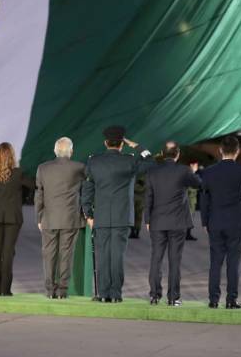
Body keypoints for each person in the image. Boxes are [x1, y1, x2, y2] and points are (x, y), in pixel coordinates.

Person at [81, 126, 154, 303]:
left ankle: (103, 293)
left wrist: (88, 213)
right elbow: (151, 162)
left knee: (103, 255)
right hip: (122, 217)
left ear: (106, 143)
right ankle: (115, 294)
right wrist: (137, 146)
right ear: (122, 144)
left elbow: (87, 189)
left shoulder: (94, 161)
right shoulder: (130, 161)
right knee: (117, 256)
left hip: (102, 216)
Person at [200, 135, 241, 309]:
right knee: (234, 263)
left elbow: (204, 198)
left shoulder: (209, 172)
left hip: (215, 222)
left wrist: (205, 222)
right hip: (237, 222)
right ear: (237, 151)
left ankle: (213, 299)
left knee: (215, 263)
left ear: (220, 150)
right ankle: (231, 300)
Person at [145, 141, 201, 306]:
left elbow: (148, 197)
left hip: (157, 221)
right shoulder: (184, 170)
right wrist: (195, 172)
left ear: (162, 154)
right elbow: (198, 184)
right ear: (177, 154)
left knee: (156, 258)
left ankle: (154, 295)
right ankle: (173, 297)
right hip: (178, 222)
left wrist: (147, 220)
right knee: (175, 260)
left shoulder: (152, 171)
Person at [35, 137, 86, 299]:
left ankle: (50, 290)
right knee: (66, 254)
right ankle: (63, 290)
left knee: (49, 255)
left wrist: (39, 217)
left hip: (48, 218)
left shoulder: (43, 168)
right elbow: (87, 190)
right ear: (70, 151)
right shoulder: (79, 167)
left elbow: (39, 194)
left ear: (55, 151)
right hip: (70, 218)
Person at [0, 143, 34, 296]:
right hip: (13, 218)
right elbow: (33, 185)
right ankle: (5, 289)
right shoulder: (18, 174)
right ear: (12, 156)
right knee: (8, 253)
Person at [186, 161, 201, 241]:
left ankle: (187, 234)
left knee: (190, 217)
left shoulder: (192, 174)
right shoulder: (189, 174)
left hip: (192, 199)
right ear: (191, 165)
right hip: (189, 200)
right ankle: (186, 234)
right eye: (196, 165)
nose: (197, 166)